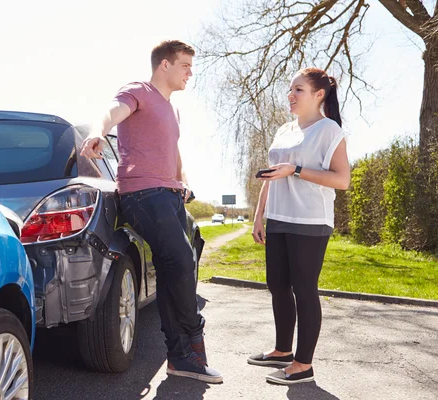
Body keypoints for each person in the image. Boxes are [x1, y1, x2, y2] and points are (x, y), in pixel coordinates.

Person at [80, 40, 222, 384]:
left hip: (170, 196)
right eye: (186, 65)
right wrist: (99, 133)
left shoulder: (172, 110)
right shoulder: (137, 91)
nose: (191, 72)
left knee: (175, 269)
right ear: (165, 66)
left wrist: (182, 181)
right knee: (180, 261)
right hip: (143, 194)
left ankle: (180, 357)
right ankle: (194, 339)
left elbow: (173, 153)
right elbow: (111, 111)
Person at [247, 68, 351, 385]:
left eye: (299, 90)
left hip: (310, 219)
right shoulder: (285, 130)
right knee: (277, 284)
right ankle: (282, 350)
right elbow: (273, 174)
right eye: (290, 89)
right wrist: (259, 214)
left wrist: (296, 170)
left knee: (304, 289)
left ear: (319, 94)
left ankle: (303, 364)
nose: (291, 95)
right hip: (279, 217)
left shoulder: (329, 130)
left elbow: (341, 180)